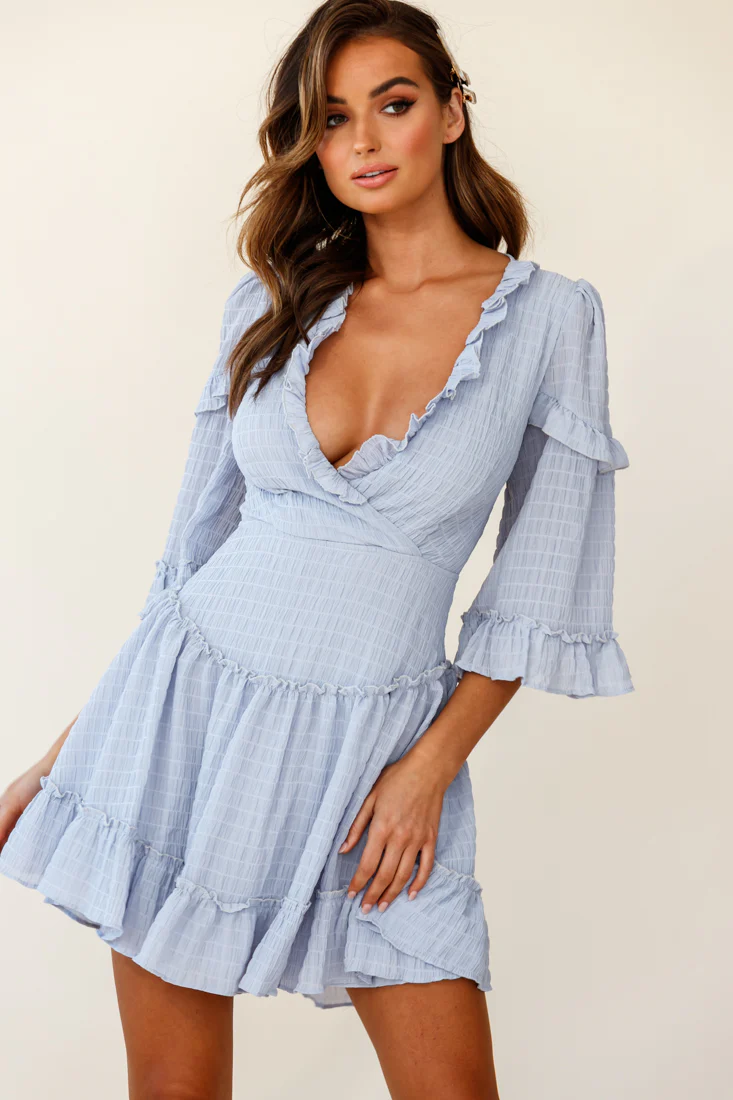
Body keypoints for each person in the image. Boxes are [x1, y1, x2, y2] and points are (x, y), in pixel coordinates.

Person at [0, 1, 634, 1097]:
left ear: (451, 112)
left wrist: (428, 769)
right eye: (332, 119)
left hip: (377, 754)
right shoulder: (271, 305)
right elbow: (188, 566)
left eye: (393, 104)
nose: (364, 141)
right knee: (174, 1088)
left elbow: (538, 586)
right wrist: (66, 755)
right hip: (178, 727)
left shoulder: (547, 319)